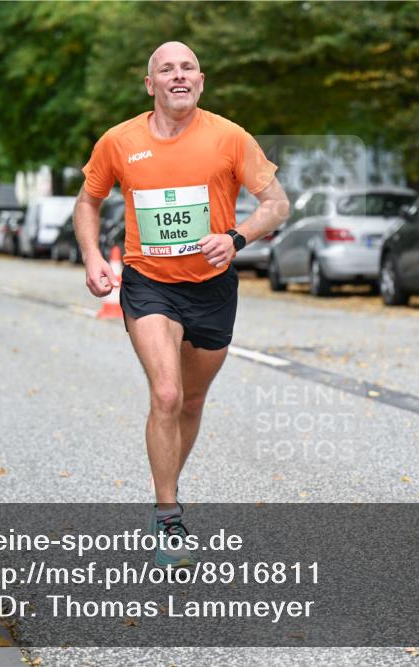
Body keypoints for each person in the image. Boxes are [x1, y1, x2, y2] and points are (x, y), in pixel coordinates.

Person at [75, 41, 289, 567]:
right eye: (166, 69)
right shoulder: (119, 141)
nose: (178, 75)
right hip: (148, 283)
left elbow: (278, 204)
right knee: (166, 394)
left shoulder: (229, 137)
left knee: (191, 401)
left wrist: (236, 238)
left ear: (200, 80)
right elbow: (88, 200)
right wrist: (92, 258)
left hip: (213, 286)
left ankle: (166, 492)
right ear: (150, 85)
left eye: (187, 67)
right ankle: (168, 513)